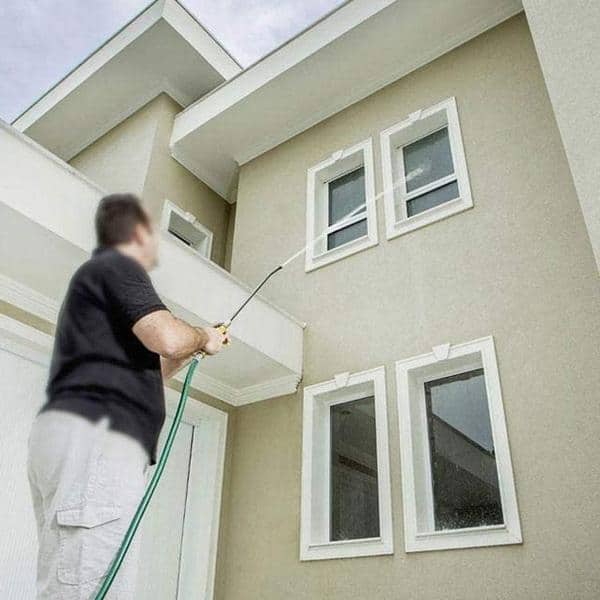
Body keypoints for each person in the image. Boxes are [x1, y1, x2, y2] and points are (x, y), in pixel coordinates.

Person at [27, 193, 228, 599]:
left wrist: (195, 348)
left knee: (71, 576)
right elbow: (168, 337)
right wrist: (202, 336)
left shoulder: (99, 292)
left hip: (80, 438)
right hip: (100, 438)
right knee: (90, 583)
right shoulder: (117, 266)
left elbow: (155, 369)